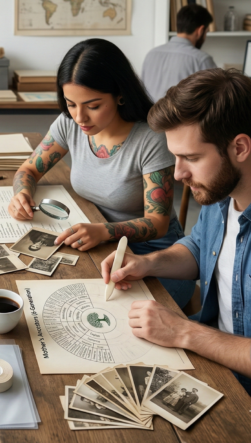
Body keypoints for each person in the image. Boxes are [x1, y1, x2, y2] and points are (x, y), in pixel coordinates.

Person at [8, 39, 194, 307]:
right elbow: (28, 169)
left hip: (155, 256)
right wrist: (21, 193)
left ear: (120, 94)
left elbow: (158, 223)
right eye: (71, 104)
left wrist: (104, 231)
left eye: (93, 106)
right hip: (98, 241)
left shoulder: (151, 139)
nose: (80, 117)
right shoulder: (69, 124)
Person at [103, 68, 251, 395]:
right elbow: (199, 249)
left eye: (191, 158)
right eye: (175, 156)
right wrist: (147, 263)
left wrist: (185, 332)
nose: (179, 173)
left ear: (239, 148)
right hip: (213, 364)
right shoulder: (219, 193)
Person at [141, 4, 216, 102]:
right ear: (200, 30)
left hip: (151, 116)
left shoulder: (151, 54)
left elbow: (142, 92)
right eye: (206, 32)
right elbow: (218, 98)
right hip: (183, 117)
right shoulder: (201, 59)